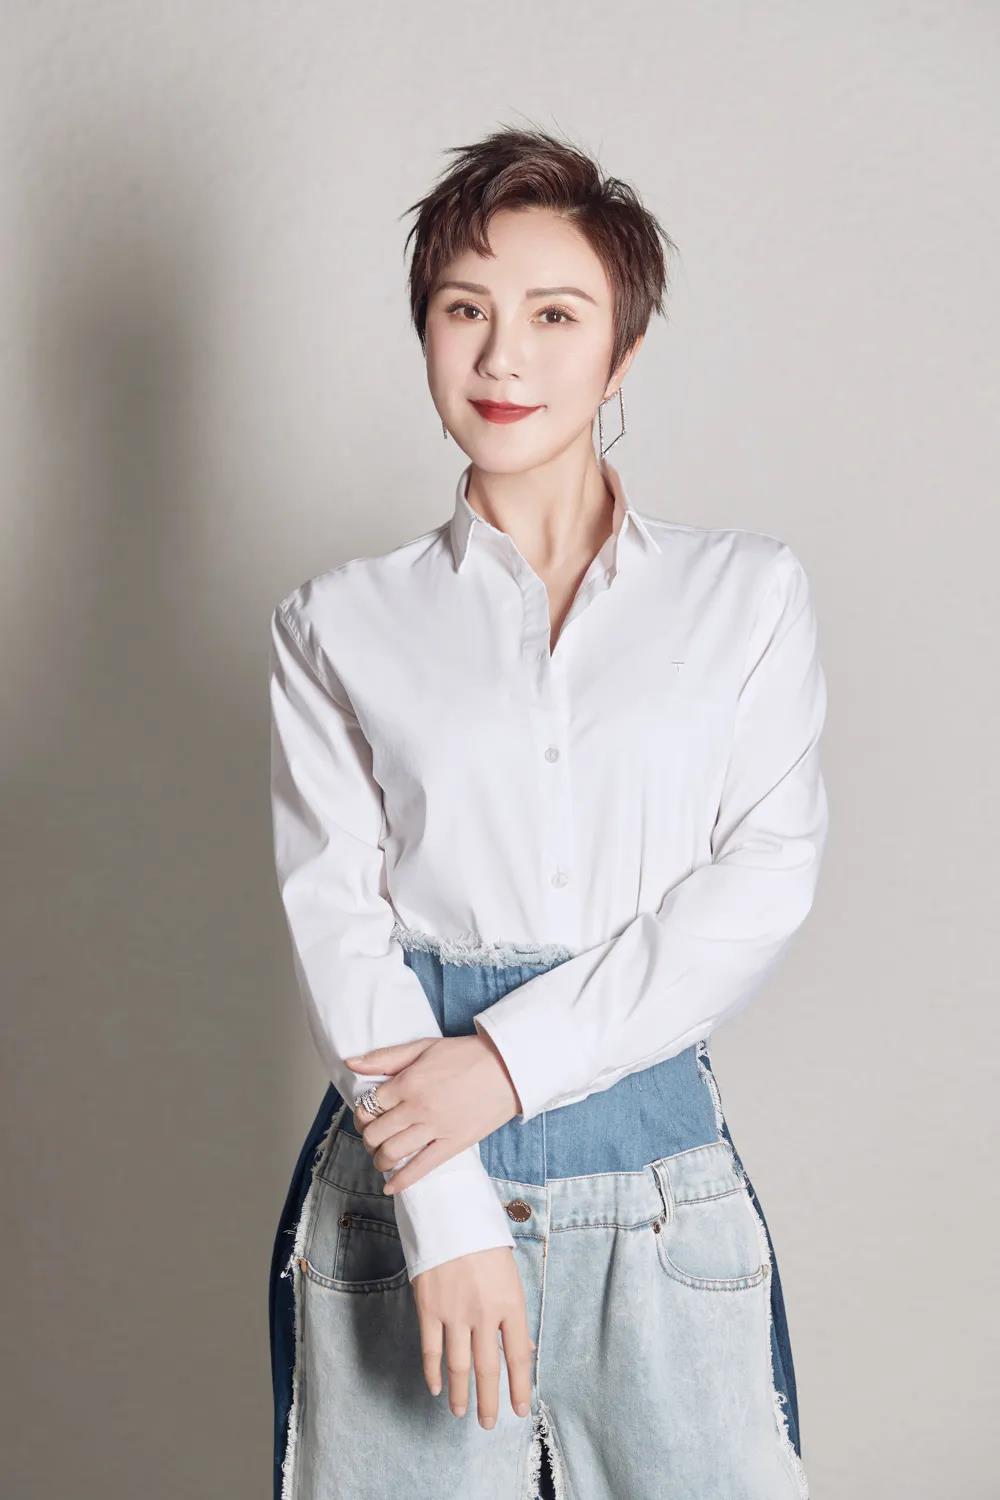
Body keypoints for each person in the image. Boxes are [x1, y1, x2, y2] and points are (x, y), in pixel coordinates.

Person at [267, 123, 828, 1500]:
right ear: (425, 334)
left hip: (658, 1190)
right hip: (403, 1198)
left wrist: (507, 1064)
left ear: (622, 351)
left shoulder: (746, 596)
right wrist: (448, 1212)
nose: (502, 357)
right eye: (464, 310)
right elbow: (339, 923)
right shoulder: (336, 623)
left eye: (555, 315)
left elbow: (762, 878)